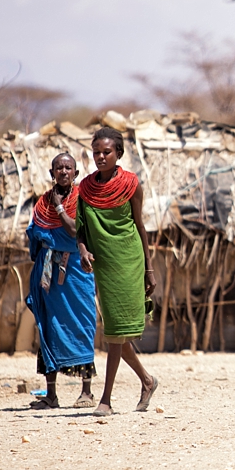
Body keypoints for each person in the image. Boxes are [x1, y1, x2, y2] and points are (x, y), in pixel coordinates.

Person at [77, 127, 158, 417]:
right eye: (96, 152)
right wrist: (83, 250)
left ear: (118, 154)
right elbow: (81, 231)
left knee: (114, 334)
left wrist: (149, 269)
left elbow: (140, 225)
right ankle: (147, 381)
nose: (100, 157)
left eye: (106, 152)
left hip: (129, 261)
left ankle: (106, 400)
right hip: (104, 265)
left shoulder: (131, 184)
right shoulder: (84, 189)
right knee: (115, 332)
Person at [25, 153, 97, 409]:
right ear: (51, 172)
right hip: (49, 274)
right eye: (59, 167)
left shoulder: (83, 199)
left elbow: (76, 231)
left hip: (77, 271)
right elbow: (34, 233)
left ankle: (86, 393)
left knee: (82, 325)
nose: (64, 171)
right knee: (50, 327)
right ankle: (51, 395)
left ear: (76, 173)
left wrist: (58, 208)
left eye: (68, 167)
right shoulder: (43, 202)